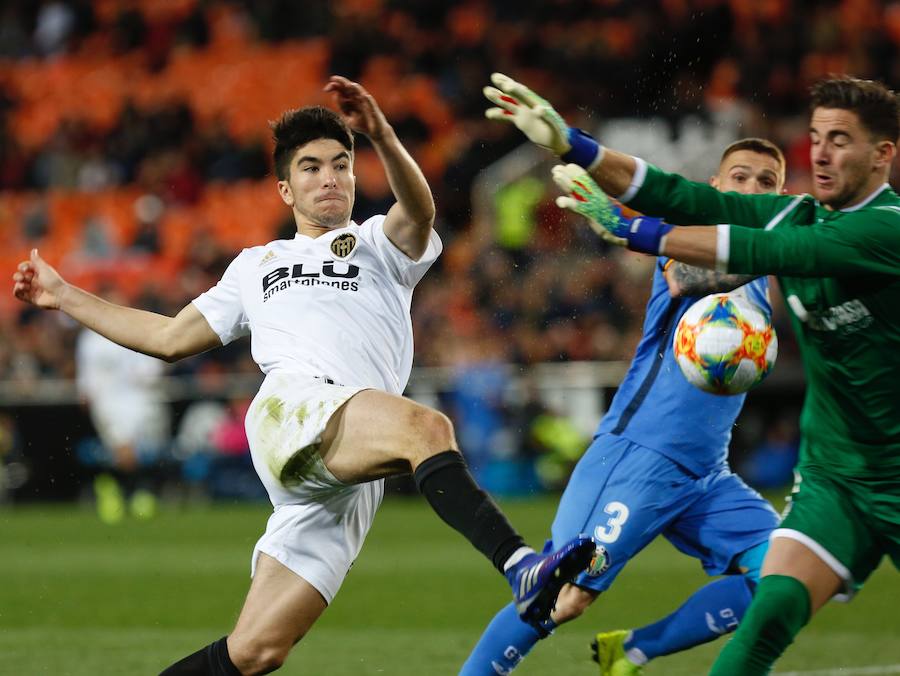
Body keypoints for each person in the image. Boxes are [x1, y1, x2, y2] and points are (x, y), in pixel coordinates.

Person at [12, 76, 595, 676]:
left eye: (341, 164)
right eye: (312, 167)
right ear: (286, 188)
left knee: (256, 651)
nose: (330, 177)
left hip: (347, 467)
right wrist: (65, 296)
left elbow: (419, 211)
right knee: (426, 428)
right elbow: (166, 339)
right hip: (294, 412)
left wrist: (384, 136)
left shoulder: (378, 245)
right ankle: (522, 567)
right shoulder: (257, 265)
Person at [485, 72, 900, 675]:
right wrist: (572, 144)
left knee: (778, 588)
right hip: (707, 461)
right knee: (573, 591)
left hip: (733, 471)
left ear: (883, 154)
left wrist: (634, 230)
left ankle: (632, 650)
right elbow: (682, 199)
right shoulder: (778, 224)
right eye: (817, 136)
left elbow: (774, 252)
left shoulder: (879, 230)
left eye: (841, 139)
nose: (823, 152)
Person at [460, 137, 785, 676]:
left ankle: (632, 651)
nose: (752, 189)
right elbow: (683, 277)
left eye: (766, 182)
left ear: (780, 195)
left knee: (782, 579)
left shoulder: (765, 278)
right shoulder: (693, 246)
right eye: (741, 178)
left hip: (705, 471)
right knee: (561, 594)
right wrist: (774, 246)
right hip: (638, 458)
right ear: (717, 189)